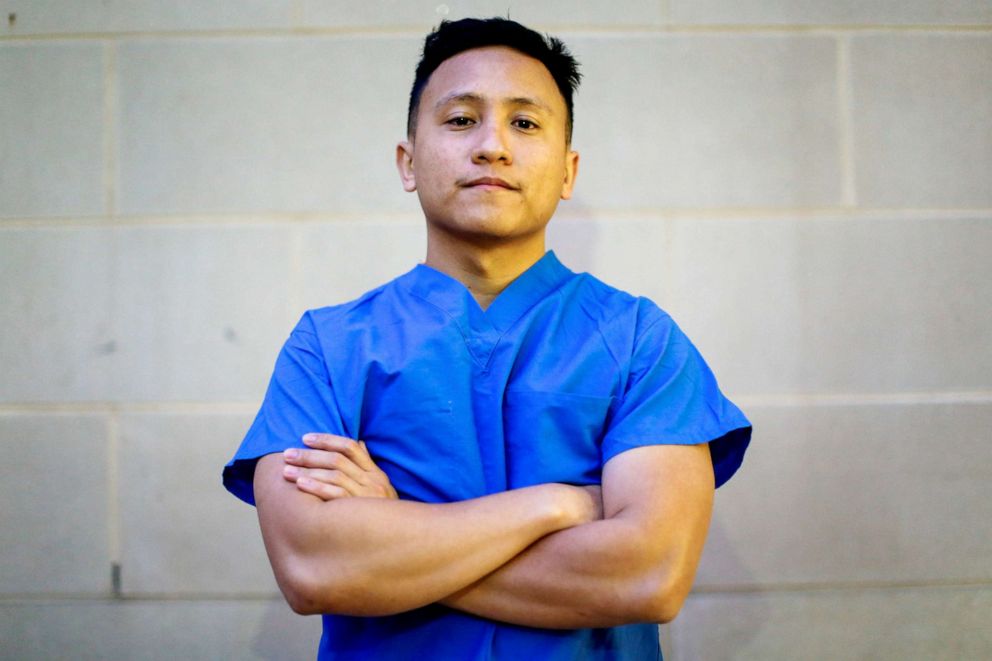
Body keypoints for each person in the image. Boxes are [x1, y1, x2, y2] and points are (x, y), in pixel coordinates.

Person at [223, 16, 751, 661]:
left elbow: (647, 576)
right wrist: (559, 505)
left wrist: (394, 539)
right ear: (409, 162)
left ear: (567, 170)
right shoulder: (329, 348)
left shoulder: (640, 341)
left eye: (525, 124)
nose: (493, 146)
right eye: (460, 119)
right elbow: (315, 570)